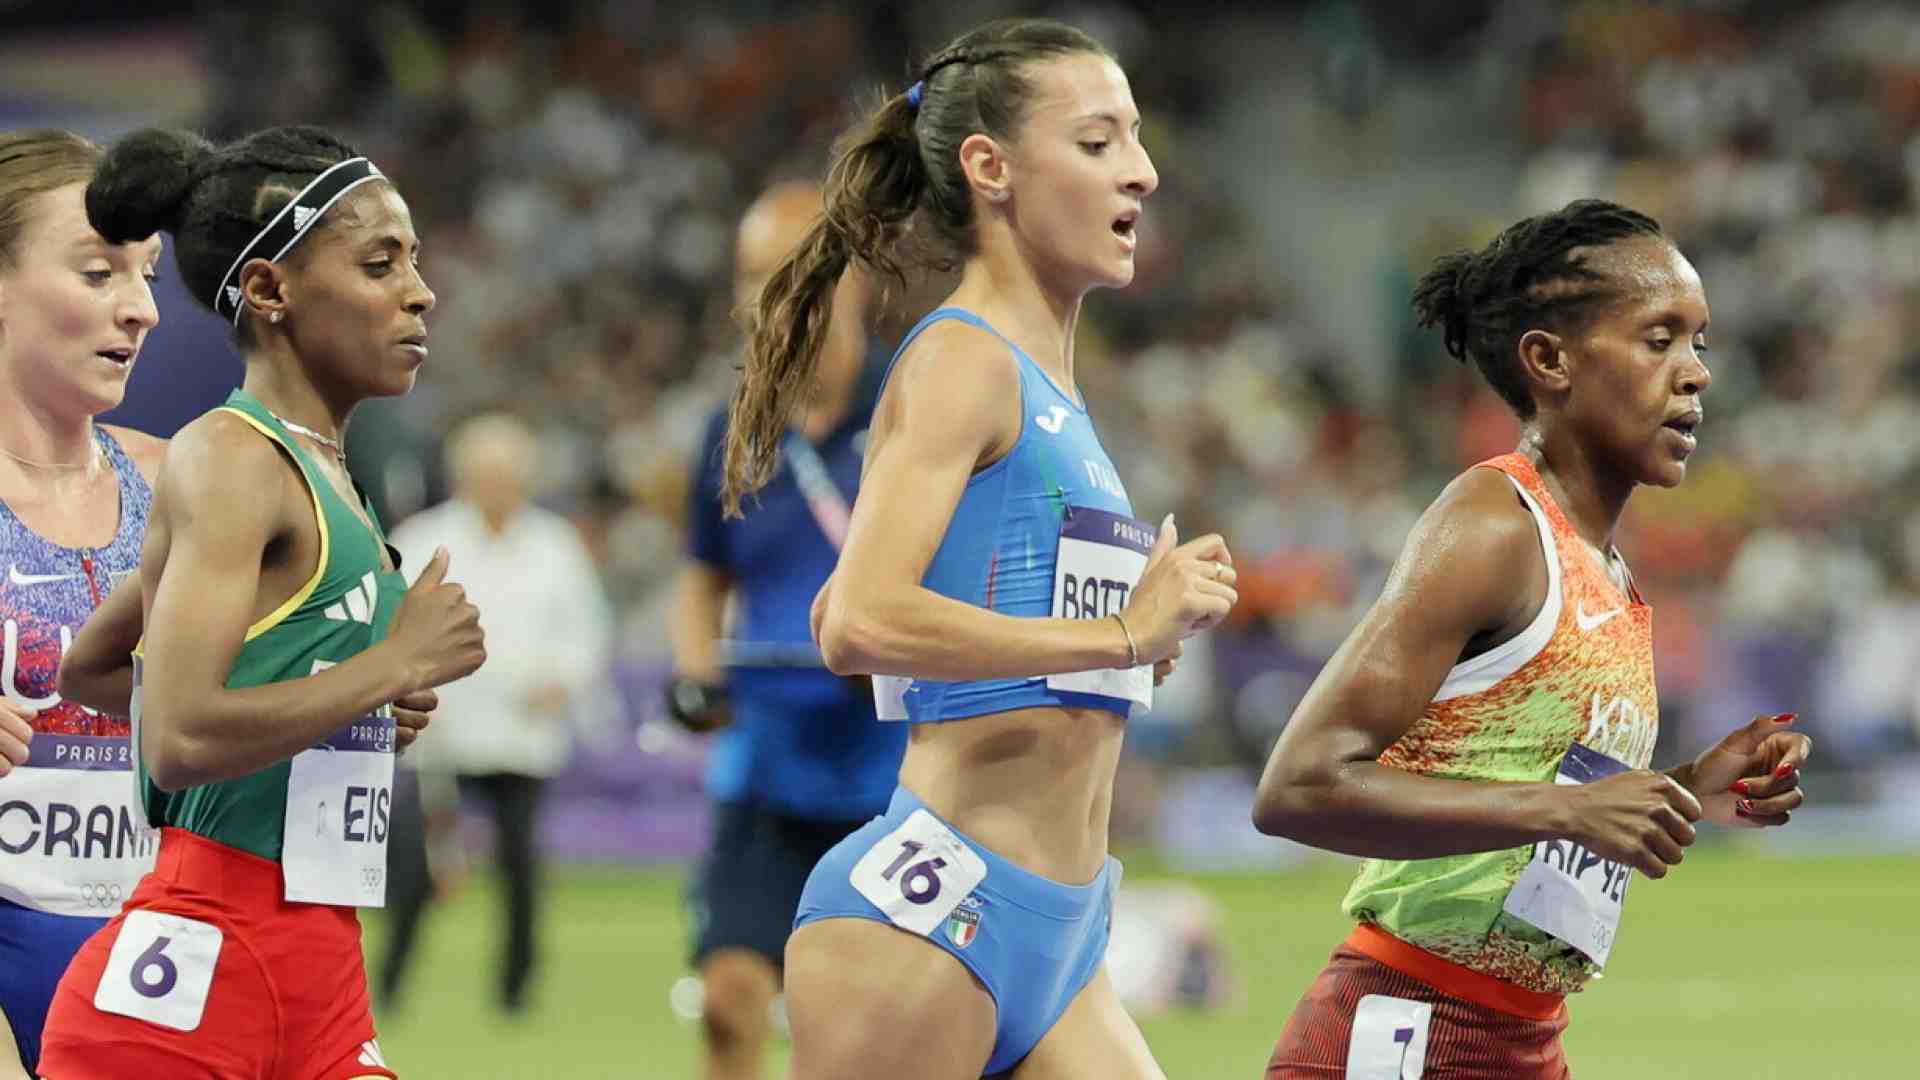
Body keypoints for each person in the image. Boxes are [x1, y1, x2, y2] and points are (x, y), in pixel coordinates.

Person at [721, 18, 1238, 1080]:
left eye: (1136, 139)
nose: (1139, 171)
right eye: (1097, 143)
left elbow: (858, 612)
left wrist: (1134, 642)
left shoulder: (1053, 392)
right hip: (935, 913)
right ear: (990, 167)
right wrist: (1116, 632)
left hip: (1064, 927)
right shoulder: (964, 358)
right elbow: (858, 621)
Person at [1250, 199, 1813, 1079]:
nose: (1696, 372)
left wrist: (1686, 787)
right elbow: (1297, 786)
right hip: (1407, 1029)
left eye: (1699, 342)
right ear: (1550, 360)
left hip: (1520, 1039)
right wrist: (1567, 810)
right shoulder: (1494, 525)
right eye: (1659, 338)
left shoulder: (1607, 569)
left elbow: (1540, 806)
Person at [35, 124, 486, 1080]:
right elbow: (181, 735)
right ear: (271, 291)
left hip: (316, 963)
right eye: (379, 262)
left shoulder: (332, 475)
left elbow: (95, 667)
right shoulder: (235, 457)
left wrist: (352, 708)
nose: (420, 290)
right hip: (193, 978)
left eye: (414, 259)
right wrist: (390, 665)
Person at [669, 180, 907, 1080]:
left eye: (786, 273)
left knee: (867, 1033)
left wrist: (888, 646)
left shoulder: (919, 405)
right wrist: (698, 674)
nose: (763, 299)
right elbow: (702, 578)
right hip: (765, 771)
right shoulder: (730, 430)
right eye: (750, 277)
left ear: (846, 276)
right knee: (730, 1001)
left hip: (895, 779)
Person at [0, 128, 166, 1079]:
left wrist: (365, 703)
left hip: (165, 955)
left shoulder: (188, 487)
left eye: (145, 274)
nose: (140, 309)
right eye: (99, 271)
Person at [378, 411, 612, 1017]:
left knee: (521, 871)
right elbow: (390, 628)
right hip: (443, 736)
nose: (497, 485)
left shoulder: (555, 545)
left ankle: (516, 992)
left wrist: (565, 680)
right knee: (418, 870)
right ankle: (390, 986)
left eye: (508, 474)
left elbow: (586, 632)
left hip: (523, 739)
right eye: (485, 473)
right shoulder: (426, 539)